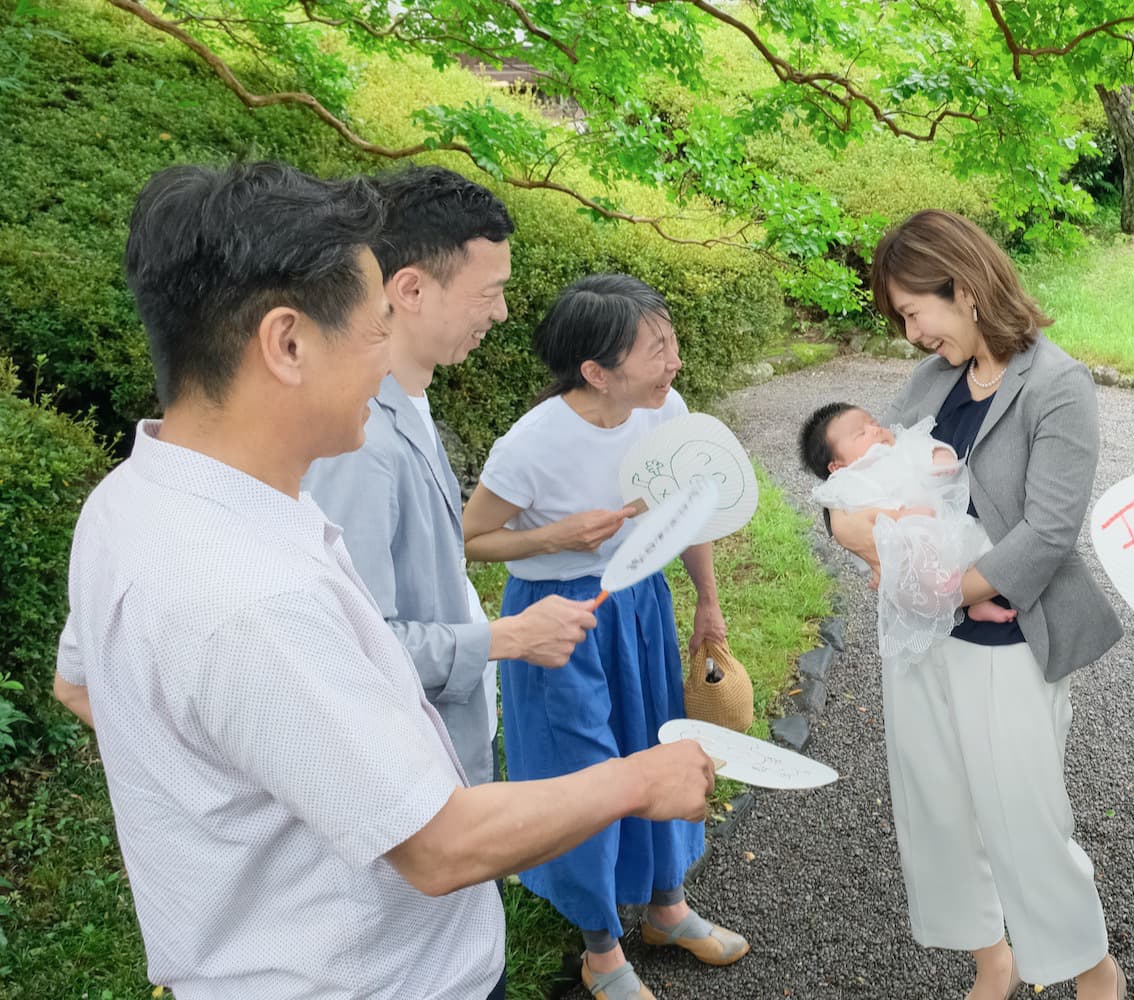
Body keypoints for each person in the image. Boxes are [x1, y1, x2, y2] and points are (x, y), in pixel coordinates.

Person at [53, 161, 715, 1000]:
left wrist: (234, 794)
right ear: (287, 343)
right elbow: (439, 849)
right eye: (373, 331)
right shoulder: (251, 598)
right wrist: (641, 777)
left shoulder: (130, 501)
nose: (386, 362)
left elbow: (80, 685)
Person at [828, 209, 1126, 999]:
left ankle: (1094, 974)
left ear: (961, 289)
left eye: (912, 311)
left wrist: (941, 589)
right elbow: (866, 485)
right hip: (923, 641)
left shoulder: (1057, 384)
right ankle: (992, 961)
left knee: (1024, 821)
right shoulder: (929, 381)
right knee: (940, 812)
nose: (909, 333)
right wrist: (848, 527)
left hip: (1008, 643)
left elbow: (1050, 529)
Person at [462, 273, 745, 1000]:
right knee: (582, 766)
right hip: (556, 620)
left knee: (658, 747)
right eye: (657, 349)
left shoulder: (665, 411)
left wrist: (706, 604)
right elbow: (470, 538)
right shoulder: (531, 444)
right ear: (597, 372)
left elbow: (687, 514)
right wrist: (555, 535)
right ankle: (599, 948)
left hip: (639, 602)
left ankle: (666, 906)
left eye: (671, 341)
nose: (674, 362)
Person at [302, 165, 596, 784]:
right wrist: (504, 638)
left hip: (450, 732)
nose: (503, 312)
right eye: (488, 292)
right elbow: (357, 650)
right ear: (409, 290)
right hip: (410, 763)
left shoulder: (407, 398)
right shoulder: (359, 442)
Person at [799, 401, 1017, 668]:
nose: (874, 429)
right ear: (836, 466)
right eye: (861, 433)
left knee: (983, 545)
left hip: (940, 523)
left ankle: (973, 602)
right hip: (898, 533)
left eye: (873, 422)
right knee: (917, 569)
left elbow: (926, 446)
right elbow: (849, 510)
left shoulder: (901, 445)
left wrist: (941, 457)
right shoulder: (847, 480)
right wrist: (897, 516)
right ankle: (954, 599)